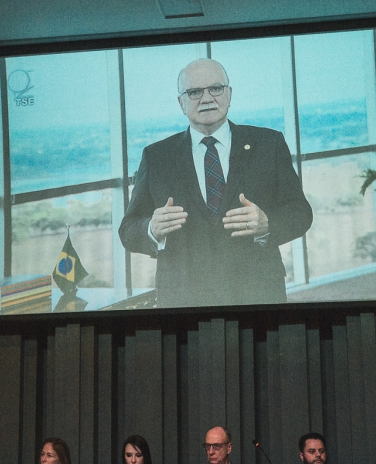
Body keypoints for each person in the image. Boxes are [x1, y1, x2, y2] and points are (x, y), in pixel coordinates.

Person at [119, 58, 313, 308]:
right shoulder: (157, 156)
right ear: (181, 102)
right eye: (195, 92)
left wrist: (267, 224)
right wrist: (151, 228)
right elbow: (128, 229)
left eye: (216, 88)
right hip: (184, 301)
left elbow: (300, 212)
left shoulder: (269, 144)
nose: (207, 98)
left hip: (258, 295)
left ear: (229, 94)